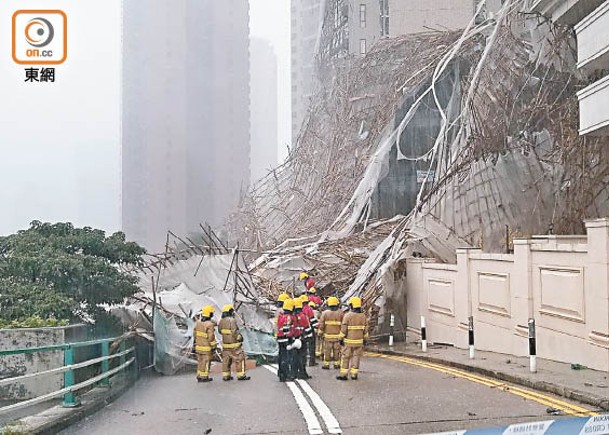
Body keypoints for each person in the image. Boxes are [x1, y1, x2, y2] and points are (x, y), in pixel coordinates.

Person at [337, 296, 368, 381]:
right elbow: (365, 330)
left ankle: (343, 374)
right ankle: (354, 374)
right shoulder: (363, 316)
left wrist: (340, 338)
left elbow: (343, 329)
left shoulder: (347, 316)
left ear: (351, 306)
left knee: (346, 357)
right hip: (359, 342)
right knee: (356, 357)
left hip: (348, 342)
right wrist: (365, 339)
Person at [218, 304, 251, 381]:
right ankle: (241, 375)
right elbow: (234, 332)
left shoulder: (221, 321)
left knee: (226, 361)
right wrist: (240, 338)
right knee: (240, 359)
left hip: (225, 346)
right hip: (234, 346)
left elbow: (220, 331)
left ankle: (226, 376)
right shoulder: (232, 320)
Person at [319, 296, 343, 370]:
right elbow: (343, 325)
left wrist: (320, 332)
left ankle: (326, 365)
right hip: (337, 337)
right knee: (337, 351)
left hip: (327, 337)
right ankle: (336, 364)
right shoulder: (341, 313)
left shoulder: (325, 313)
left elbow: (322, 324)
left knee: (327, 351)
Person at [194, 305, 217, 382]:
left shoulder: (198, 323)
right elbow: (211, 337)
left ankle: (199, 375)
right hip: (206, 347)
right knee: (206, 362)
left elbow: (195, 334)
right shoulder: (209, 325)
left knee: (200, 361)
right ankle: (204, 377)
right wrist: (214, 345)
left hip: (198, 346)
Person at [291, 297, 312, 379]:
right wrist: (309, 338)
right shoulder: (303, 316)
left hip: (293, 340)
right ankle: (302, 373)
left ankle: (294, 373)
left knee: (294, 356)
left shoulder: (291, 316)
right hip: (302, 339)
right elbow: (307, 328)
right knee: (302, 356)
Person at [276, 298, 295, 382]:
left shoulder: (281, 316)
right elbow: (287, 329)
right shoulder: (289, 317)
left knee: (281, 357)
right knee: (286, 358)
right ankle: (285, 375)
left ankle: (281, 373)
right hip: (285, 339)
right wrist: (290, 339)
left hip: (280, 339)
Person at [301, 295, 318, 366]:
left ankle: (302, 361)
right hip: (309, 328)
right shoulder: (309, 309)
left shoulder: (298, 309)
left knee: (302, 345)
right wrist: (317, 327)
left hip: (300, 329)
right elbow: (312, 319)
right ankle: (312, 361)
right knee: (311, 345)